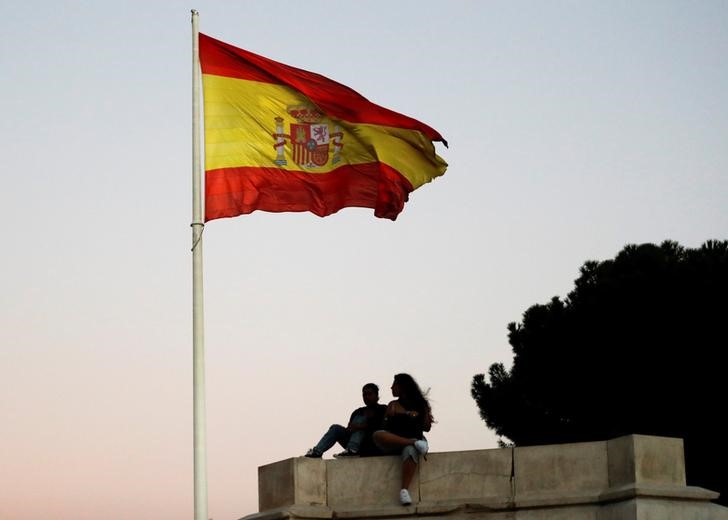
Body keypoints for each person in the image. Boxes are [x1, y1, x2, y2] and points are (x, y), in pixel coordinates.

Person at [372, 373, 433, 506]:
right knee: (377, 434)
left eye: (394, 385)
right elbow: (384, 428)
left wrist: (420, 414)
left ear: (402, 386)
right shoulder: (393, 404)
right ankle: (414, 443)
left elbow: (427, 427)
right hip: (397, 440)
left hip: (415, 437)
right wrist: (390, 416)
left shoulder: (420, 403)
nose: (391, 387)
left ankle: (404, 490)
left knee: (410, 450)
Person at [304, 383, 387, 458]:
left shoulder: (383, 409)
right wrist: (352, 428)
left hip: (372, 445)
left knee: (360, 425)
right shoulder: (358, 411)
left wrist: (359, 426)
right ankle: (317, 452)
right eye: (364, 395)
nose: (366, 397)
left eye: (369, 394)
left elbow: (381, 428)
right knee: (335, 428)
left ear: (376, 396)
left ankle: (352, 450)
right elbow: (349, 429)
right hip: (355, 442)